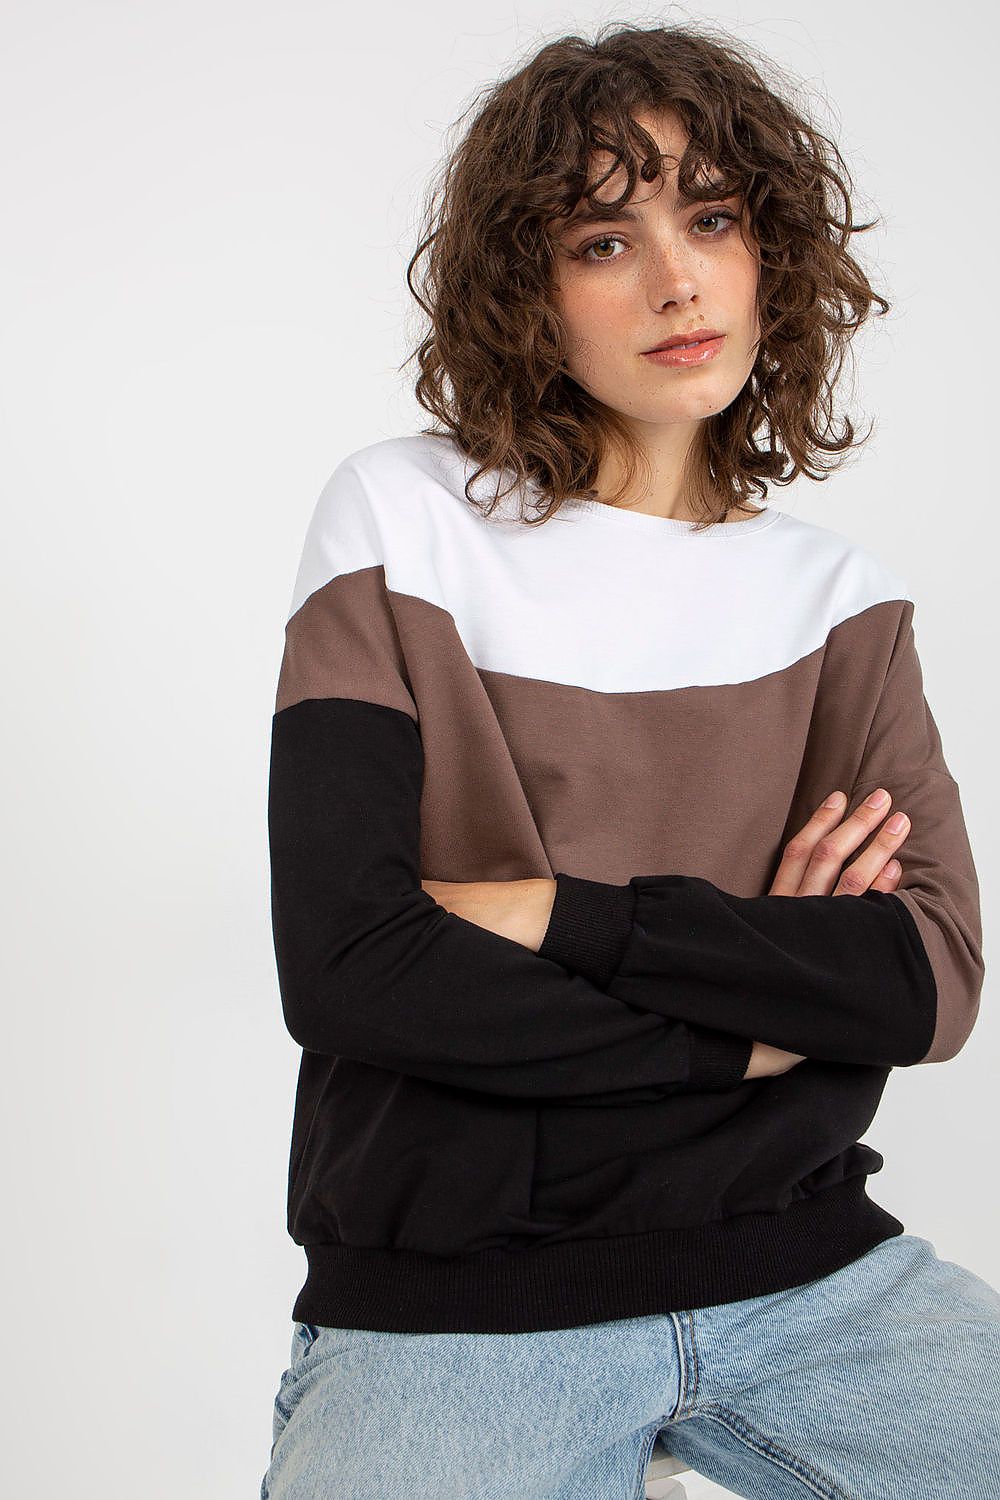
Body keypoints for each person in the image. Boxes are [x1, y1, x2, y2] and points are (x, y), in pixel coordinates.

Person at [260, 20, 1000, 1499]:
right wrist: (759, 1014)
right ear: (525, 294)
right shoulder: (402, 524)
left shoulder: (838, 601)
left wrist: (561, 917)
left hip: (814, 1280)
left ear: (772, 253)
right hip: (463, 1309)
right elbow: (351, 968)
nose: (677, 281)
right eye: (604, 240)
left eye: (712, 220)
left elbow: (925, 985)